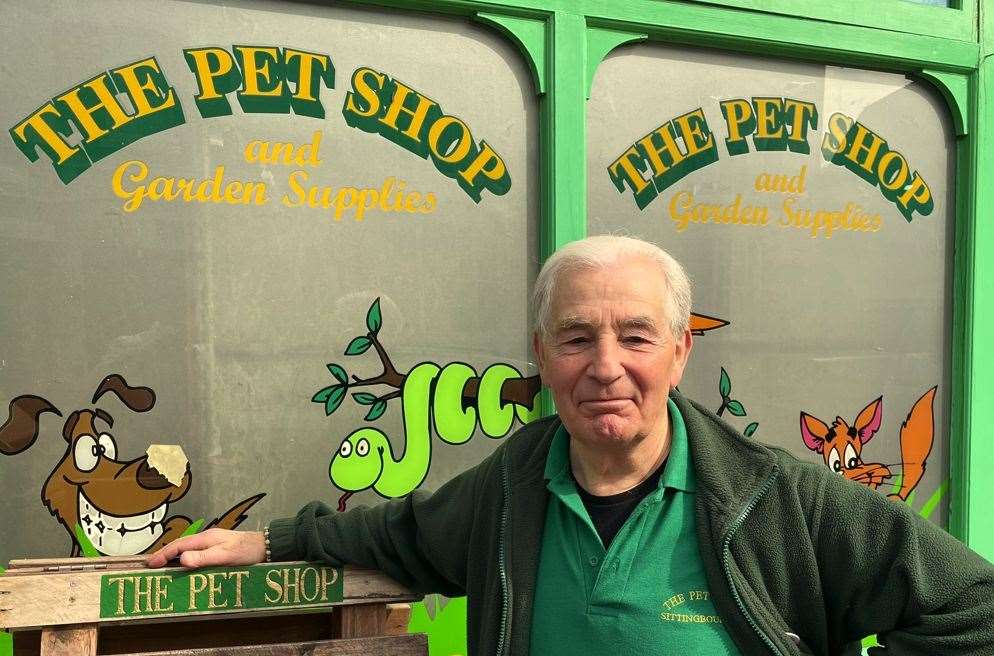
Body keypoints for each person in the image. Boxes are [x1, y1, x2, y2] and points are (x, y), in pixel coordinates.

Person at [148, 235, 994, 655]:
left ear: (679, 351)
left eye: (635, 335)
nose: (607, 368)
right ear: (543, 356)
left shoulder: (777, 499)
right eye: (577, 338)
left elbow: (973, 608)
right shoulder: (511, 487)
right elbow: (400, 534)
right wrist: (270, 540)